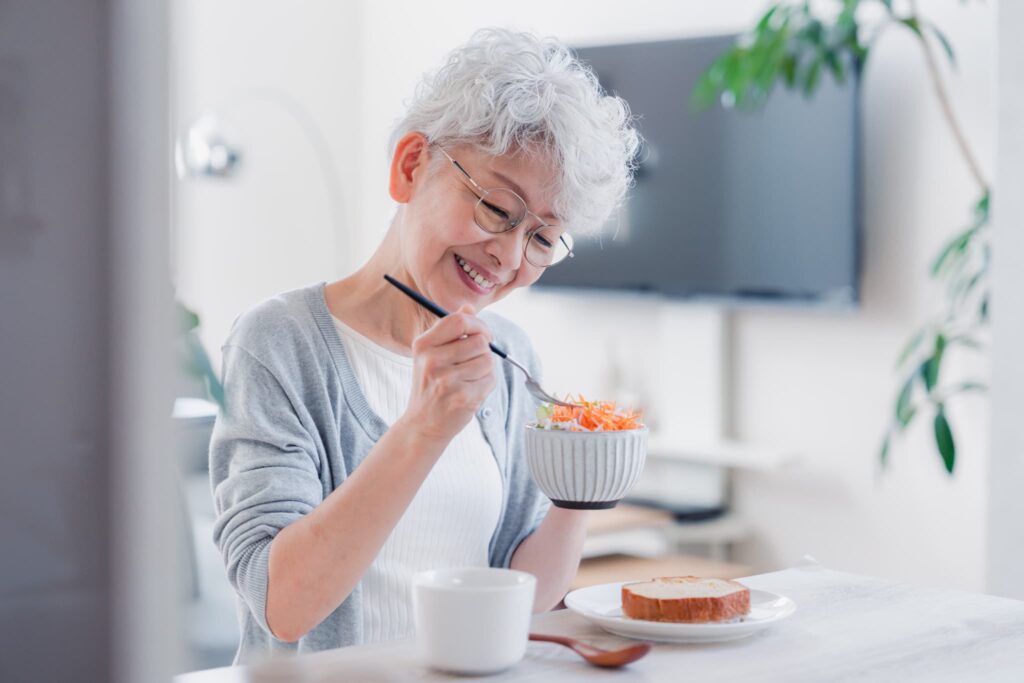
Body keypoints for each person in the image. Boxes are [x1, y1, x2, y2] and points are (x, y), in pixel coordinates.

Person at [209, 27, 640, 663]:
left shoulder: (507, 357)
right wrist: (423, 427)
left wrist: (580, 491)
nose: (509, 256)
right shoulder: (279, 344)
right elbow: (283, 605)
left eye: (544, 239)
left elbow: (528, 597)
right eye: (499, 208)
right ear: (412, 166)